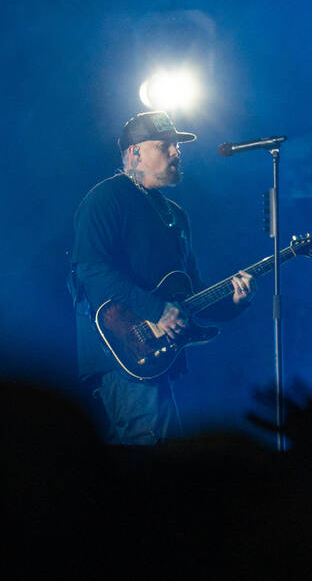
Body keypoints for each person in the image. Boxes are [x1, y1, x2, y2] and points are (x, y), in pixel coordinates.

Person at [70, 110, 253, 444]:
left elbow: (191, 293)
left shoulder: (176, 215)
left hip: (158, 359)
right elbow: (91, 269)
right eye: (164, 145)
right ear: (134, 153)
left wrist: (233, 303)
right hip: (120, 353)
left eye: (177, 145)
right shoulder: (107, 198)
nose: (175, 152)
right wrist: (156, 311)